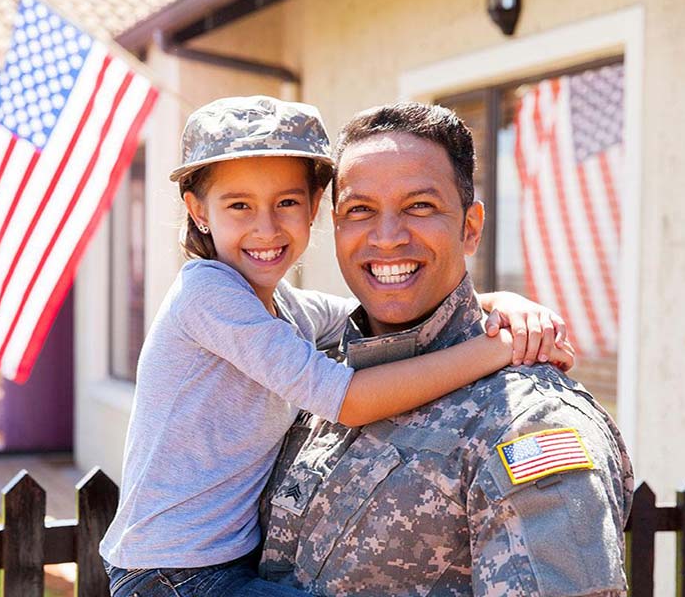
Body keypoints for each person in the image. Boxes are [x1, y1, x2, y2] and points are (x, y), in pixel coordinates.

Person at [99, 96, 573, 597]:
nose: (266, 227)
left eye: (286, 202)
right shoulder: (207, 295)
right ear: (199, 212)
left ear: (313, 208)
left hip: (223, 563)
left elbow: (375, 306)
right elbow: (346, 399)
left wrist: (504, 303)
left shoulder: (283, 306)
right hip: (173, 576)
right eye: (239, 205)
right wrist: (497, 349)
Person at [258, 102, 634, 596]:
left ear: (471, 227)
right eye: (360, 210)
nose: (386, 237)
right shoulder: (318, 374)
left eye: (420, 206)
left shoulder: (526, 420)